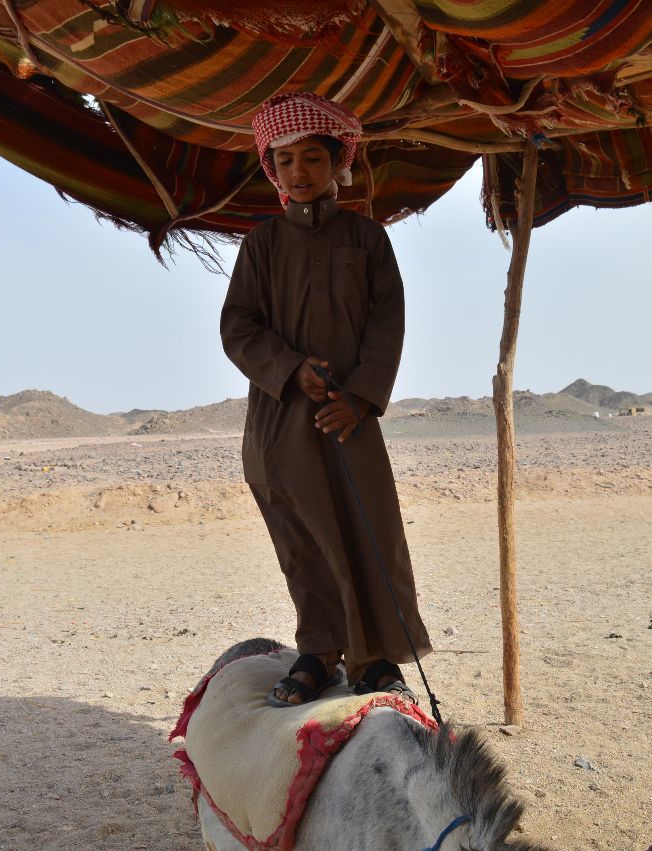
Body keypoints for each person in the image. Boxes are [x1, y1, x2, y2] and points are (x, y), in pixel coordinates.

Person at [220, 92, 433, 707]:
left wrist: (361, 398)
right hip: (281, 417)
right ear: (274, 170)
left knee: (370, 534)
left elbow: (387, 325)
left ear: (337, 163)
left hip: (350, 420)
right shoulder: (259, 246)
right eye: (285, 161)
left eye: (311, 157)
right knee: (302, 536)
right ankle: (318, 652)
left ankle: (373, 658)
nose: (299, 172)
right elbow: (238, 326)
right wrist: (290, 370)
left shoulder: (368, 240)